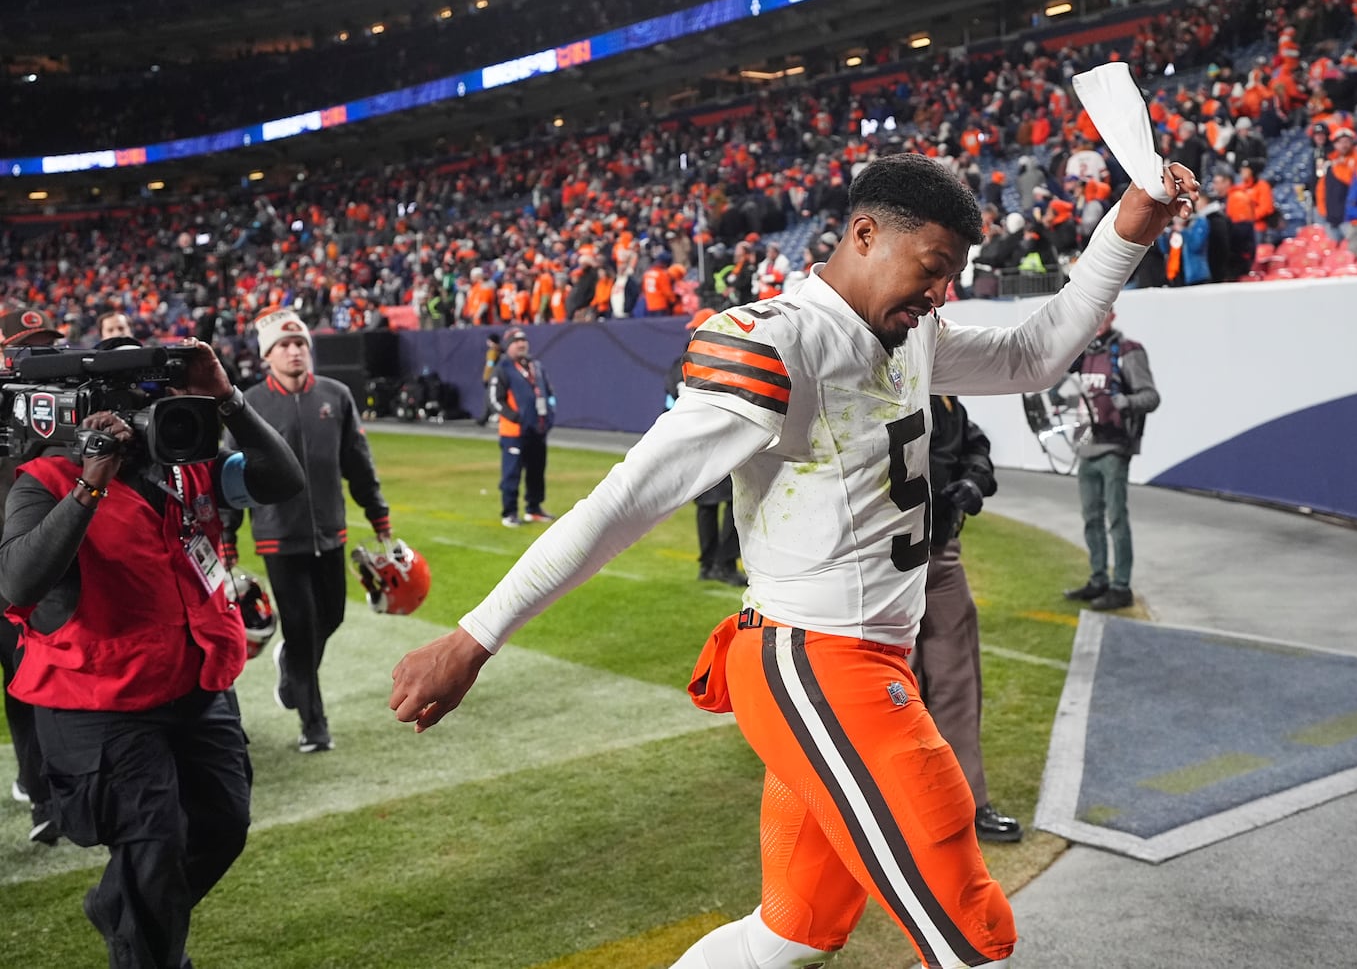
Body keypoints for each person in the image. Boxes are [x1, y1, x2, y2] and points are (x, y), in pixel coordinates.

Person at [390, 153, 1198, 969]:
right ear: (864, 233)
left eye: (950, 277)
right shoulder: (781, 343)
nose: (938, 295)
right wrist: (474, 637)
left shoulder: (910, 334)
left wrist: (1129, 224)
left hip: (869, 656)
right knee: (974, 937)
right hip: (818, 660)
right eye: (931, 269)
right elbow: (625, 500)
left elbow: (1034, 354)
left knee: (792, 928)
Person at [0, 338, 303, 968]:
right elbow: (17, 583)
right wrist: (89, 485)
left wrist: (227, 400)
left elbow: (283, 480)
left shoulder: (187, 462)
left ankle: (123, 909)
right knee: (155, 848)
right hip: (102, 701)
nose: (151, 412)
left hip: (196, 682)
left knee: (223, 825)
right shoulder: (45, 479)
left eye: (154, 394)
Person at [219, 308, 392, 753]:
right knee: (300, 627)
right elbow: (230, 475)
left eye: (300, 345)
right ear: (267, 356)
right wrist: (227, 536)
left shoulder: (336, 395)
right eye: (284, 345)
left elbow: (358, 461)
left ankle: (291, 668)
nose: (294, 351)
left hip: (330, 531)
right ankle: (314, 723)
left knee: (330, 616)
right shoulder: (249, 404)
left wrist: (378, 516)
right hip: (278, 535)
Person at [913, 393, 1020, 844]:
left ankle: (967, 801)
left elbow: (975, 444)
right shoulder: (881, 382)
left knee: (957, 680)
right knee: (897, 689)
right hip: (878, 564)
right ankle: (896, 805)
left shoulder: (943, 394)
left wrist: (975, 481)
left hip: (938, 554)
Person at [0, 309, 68, 844]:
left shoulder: (67, 408)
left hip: (33, 569)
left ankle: (44, 797)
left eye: (49, 347)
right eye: (28, 348)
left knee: (31, 682)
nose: (39, 358)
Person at [1062, 309, 1161, 612]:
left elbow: (1151, 397)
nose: (1098, 320)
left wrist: (1127, 402)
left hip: (1115, 448)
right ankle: (1098, 579)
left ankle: (1121, 587)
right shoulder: (1082, 353)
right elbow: (1076, 394)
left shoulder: (1128, 351)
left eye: (1103, 313)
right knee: (1091, 518)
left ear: (1113, 315)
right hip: (1087, 446)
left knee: (1116, 518)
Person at [666, 309, 746, 587]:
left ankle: (718, 563)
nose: (692, 332)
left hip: (715, 440)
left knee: (729, 504)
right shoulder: (697, 362)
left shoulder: (691, 362)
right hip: (707, 440)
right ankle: (717, 563)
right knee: (713, 505)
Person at [489, 327, 556, 526]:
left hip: (537, 429)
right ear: (509, 346)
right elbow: (495, 399)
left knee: (537, 471)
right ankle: (509, 512)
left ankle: (533, 508)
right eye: (516, 342)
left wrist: (550, 414)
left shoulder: (536, 366)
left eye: (523, 341)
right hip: (514, 432)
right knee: (511, 473)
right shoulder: (503, 368)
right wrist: (515, 417)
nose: (521, 344)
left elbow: (549, 392)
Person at [475, 332, 502, 427]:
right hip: (498, 378)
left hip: (492, 378)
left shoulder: (493, 352)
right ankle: (485, 417)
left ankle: (488, 417)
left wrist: (486, 378)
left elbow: (489, 366)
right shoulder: (502, 351)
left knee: (490, 398)